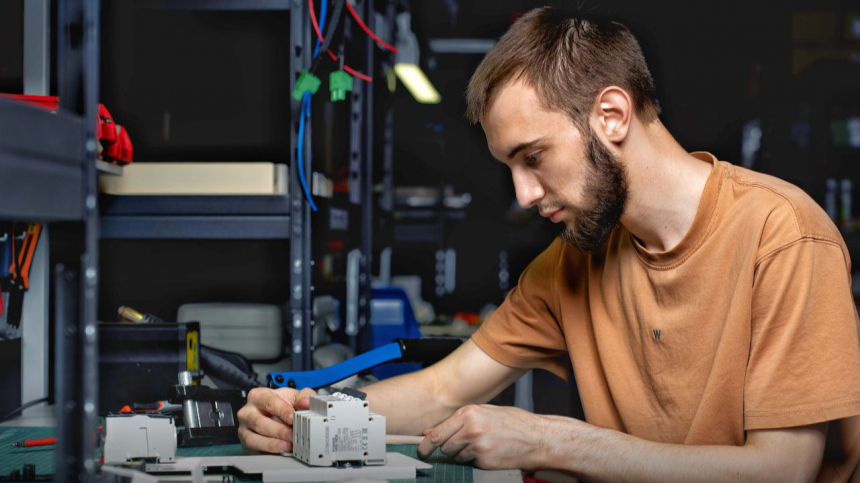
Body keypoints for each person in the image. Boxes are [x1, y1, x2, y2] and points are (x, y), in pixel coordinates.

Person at [238, 7, 860, 481]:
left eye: (533, 157)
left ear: (611, 115)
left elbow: (782, 470)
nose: (525, 195)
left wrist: (550, 441)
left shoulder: (782, 237)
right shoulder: (570, 263)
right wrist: (307, 415)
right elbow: (444, 389)